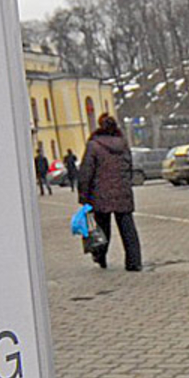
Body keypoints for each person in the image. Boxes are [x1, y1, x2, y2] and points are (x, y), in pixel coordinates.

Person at [78, 114, 143, 272]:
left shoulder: (94, 145)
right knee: (128, 228)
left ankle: (100, 258)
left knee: (102, 227)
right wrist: (125, 184)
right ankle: (134, 262)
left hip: (101, 194)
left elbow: (86, 172)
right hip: (122, 192)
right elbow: (129, 167)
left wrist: (83, 195)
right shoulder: (123, 144)